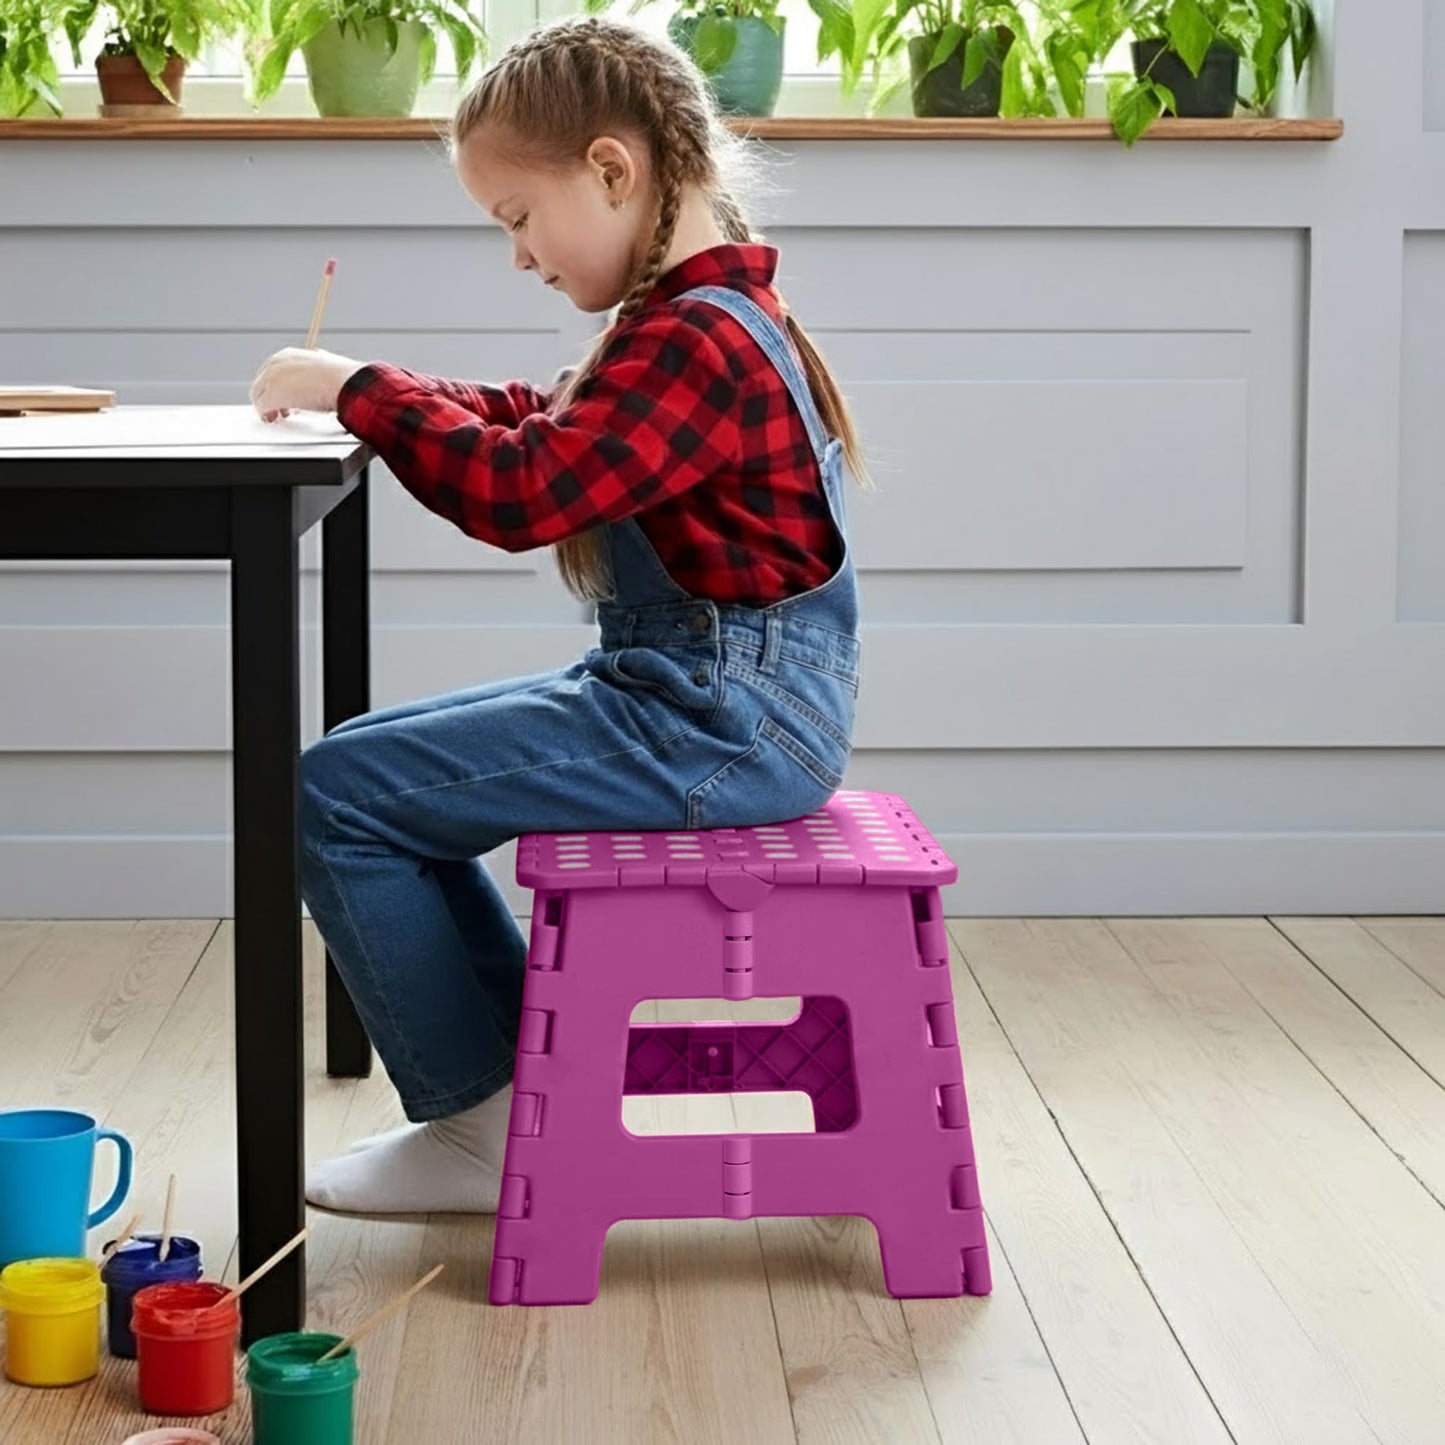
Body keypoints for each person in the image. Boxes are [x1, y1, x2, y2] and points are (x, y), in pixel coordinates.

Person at [248, 14, 867, 1215]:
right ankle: (513, 1091)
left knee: (338, 793)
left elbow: (527, 486)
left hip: (718, 719)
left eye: (516, 219)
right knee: (359, 780)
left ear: (611, 169)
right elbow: (545, 423)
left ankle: (483, 1121)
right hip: (699, 699)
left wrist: (365, 394)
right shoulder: (698, 317)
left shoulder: (697, 337)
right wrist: (374, 389)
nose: (519, 257)